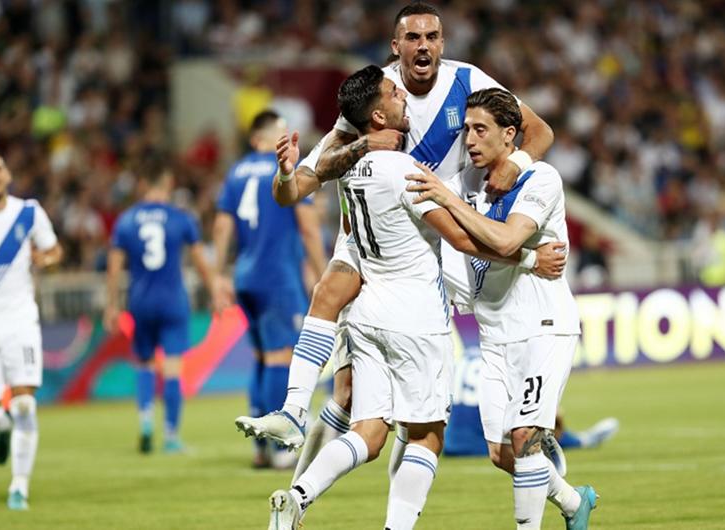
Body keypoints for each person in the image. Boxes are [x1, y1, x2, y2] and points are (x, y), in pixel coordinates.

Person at [237, 1, 556, 475]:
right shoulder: (376, 95)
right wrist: (361, 145)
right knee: (345, 381)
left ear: (442, 43)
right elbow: (298, 186)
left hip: (440, 237)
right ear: (396, 46)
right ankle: (295, 456)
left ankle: (539, 439)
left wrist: (516, 163)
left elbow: (540, 131)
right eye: (413, 37)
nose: (423, 45)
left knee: (441, 402)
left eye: (431, 36)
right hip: (376, 241)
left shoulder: (468, 81)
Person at [407, 88, 597, 529]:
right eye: (466, 129)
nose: (469, 139)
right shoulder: (465, 183)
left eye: (481, 130)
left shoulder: (541, 179)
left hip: (543, 326)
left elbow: (508, 239)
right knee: (500, 452)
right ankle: (573, 502)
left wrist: (448, 199)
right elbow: (453, 232)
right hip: (494, 335)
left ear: (509, 135)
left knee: (525, 436)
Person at [214, 110, 326, 468]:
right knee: (281, 356)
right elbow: (308, 227)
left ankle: (260, 448)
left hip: (245, 275)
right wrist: (324, 275)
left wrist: (218, 275)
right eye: (280, 132)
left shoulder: (235, 172)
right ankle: (280, 449)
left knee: (263, 357)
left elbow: (222, 226)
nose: (285, 139)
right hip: (277, 274)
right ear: (260, 138)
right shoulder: (285, 169)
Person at [104, 157, 215, 454]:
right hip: (172, 301)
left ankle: (145, 424)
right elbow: (200, 261)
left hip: (140, 302)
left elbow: (114, 268)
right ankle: (171, 436)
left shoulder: (126, 220)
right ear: (168, 183)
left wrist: (112, 305)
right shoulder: (180, 218)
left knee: (144, 363)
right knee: (173, 368)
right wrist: (215, 290)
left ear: (142, 185)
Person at [0, 147, 63, 510]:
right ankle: (2, 426)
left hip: (20, 320)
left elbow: (55, 252)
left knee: (25, 403)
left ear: (7, 175)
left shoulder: (28, 213)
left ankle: (19, 487)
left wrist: (46, 259)